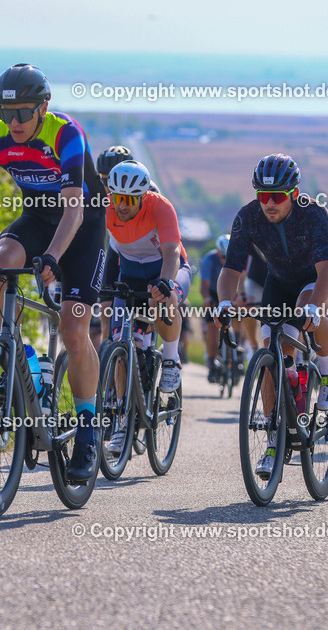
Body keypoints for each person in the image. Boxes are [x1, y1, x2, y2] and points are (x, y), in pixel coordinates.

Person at [0, 63, 106, 484]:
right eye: (5, 113)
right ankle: (19, 356)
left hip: (81, 226)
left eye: (23, 113)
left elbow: (75, 207)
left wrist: (52, 257)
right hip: (37, 217)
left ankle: (88, 431)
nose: (13, 122)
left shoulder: (65, 133)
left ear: (43, 107)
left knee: (73, 329)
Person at [215, 154, 328, 479]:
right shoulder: (247, 217)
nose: (269, 204)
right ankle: (276, 437)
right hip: (280, 280)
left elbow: (327, 269)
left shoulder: (314, 214)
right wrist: (223, 303)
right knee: (271, 346)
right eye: (263, 196)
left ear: (294, 192)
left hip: (323, 276)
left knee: (306, 310)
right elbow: (232, 269)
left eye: (277, 197)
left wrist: (316, 306)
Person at [102, 160, 191, 453]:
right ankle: (123, 424)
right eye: (117, 198)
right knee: (120, 345)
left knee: (160, 299)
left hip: (167, 270)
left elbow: (171, 252)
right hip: (129, 275)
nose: (122, 205)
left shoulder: (160, 206)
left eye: (129, 199)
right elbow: (102, 254)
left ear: (142, 196)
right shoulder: (107, 208)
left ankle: (170, 358)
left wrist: (165, 282)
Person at [95, 145, 137, 352]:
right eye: (103, 180)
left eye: (113, 179)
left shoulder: (146, 190)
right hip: (116, 247)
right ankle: (106, 359)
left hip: (142, 254)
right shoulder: (97, 195)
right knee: (105, 307)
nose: (108, 186)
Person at [200, 235, 228, 382]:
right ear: (218, 253)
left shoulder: (235, 257)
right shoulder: (209, 259)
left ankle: (237, 352)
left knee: (240, 315)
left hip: (230, 293)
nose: (225, 260)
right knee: (212, 327)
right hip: (213, 293)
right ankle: (211, 360)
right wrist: (207, 298)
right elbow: (204, 285)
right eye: (223, 257)